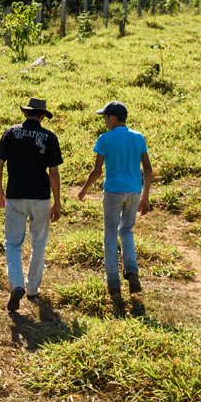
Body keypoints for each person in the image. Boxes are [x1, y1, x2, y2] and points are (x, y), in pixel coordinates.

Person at [75, 100, 154, 305]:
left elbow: (97, 170)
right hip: (134, 191)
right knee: (126, 231)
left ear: (112, 118)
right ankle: (132, 271)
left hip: (113, 192)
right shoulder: (138, 137)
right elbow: (148, 168)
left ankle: (113, 281)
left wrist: (83, 191)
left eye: (104, 117)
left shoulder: (105, 139)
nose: (104, 121)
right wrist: (145, 196)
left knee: (110, 233)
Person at [0, 97, 63, 313]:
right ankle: (32, 288)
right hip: (41, 197)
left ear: (25, 114)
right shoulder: (49, 137)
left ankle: (16, 285)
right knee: (38, 242)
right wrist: (57, 202)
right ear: (42, 116)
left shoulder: (11, 132)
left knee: (12, 243)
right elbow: (53, 172)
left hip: (15, 195)